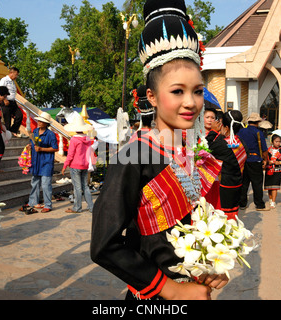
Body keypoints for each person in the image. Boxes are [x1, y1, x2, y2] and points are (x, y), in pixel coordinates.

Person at [91, 0, 229, 301]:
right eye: (177, 91)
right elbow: (104, 245)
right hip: (155, 296)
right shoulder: (133, 155)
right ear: (151, 96)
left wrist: (216, 262)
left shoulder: (195, 149)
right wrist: (172, 289)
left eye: (197, 90)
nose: (191, 102)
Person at [206, 110, 248, 219]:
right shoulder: (241, 142)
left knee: (224, 215)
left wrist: (213, 131)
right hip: (238, 184)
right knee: (233, 213)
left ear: (227, 128)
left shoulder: (223, 144)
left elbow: (205, 149)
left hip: (225, 186)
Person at [23, 112, 58, 214]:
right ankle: (33, 202)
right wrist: (30, 146)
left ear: (46, 123)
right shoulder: (35, 131)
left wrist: (42, 149)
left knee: (46, 184)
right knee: (35, 183)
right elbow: (32, 142)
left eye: (41, 121)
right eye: (38, 120)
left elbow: (55, 148)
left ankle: (48, 205)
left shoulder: (50, 134)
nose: (39, 122)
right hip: (36, 161)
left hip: (46, 162)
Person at [62, 115, 94, 213]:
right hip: (85, 165)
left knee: (77, 188)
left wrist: (64, 166)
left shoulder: (74, 140)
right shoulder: (87, 139)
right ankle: (91, 207)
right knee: (85, 187)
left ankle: (77, 208)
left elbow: (70, 155)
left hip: (75, 166)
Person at [237, 112, 269, 211]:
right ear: (258, 122)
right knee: (257, 183)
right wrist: (265, 160)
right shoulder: (259, 132)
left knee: (244, 183)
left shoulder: (241, 131)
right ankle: (259, 204)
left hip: (243, 160)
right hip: (255, 160)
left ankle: (242, 204)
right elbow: (264, 149)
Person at [264, 134, 281, 209]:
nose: (278, 143)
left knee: (275, 187)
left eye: (279, 142)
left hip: (277, 171)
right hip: (269, 170)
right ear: (272, 142)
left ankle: (273, 202)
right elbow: (264, 160)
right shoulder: (268, 150)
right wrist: (268, 162)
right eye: (276, 141)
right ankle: (270, 199)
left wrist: (279, 163)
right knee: (269, 187)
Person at [0, 67, 23, 136]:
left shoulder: (13, 82)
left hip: (13, 102)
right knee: (7, 120)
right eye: (16, 75)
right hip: (6, 101)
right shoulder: (4, 80)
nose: (16, 76)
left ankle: (13, 130)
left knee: (19, 116)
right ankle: (7, 134)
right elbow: (0, 90)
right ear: (11, 73)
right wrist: (4, 99)